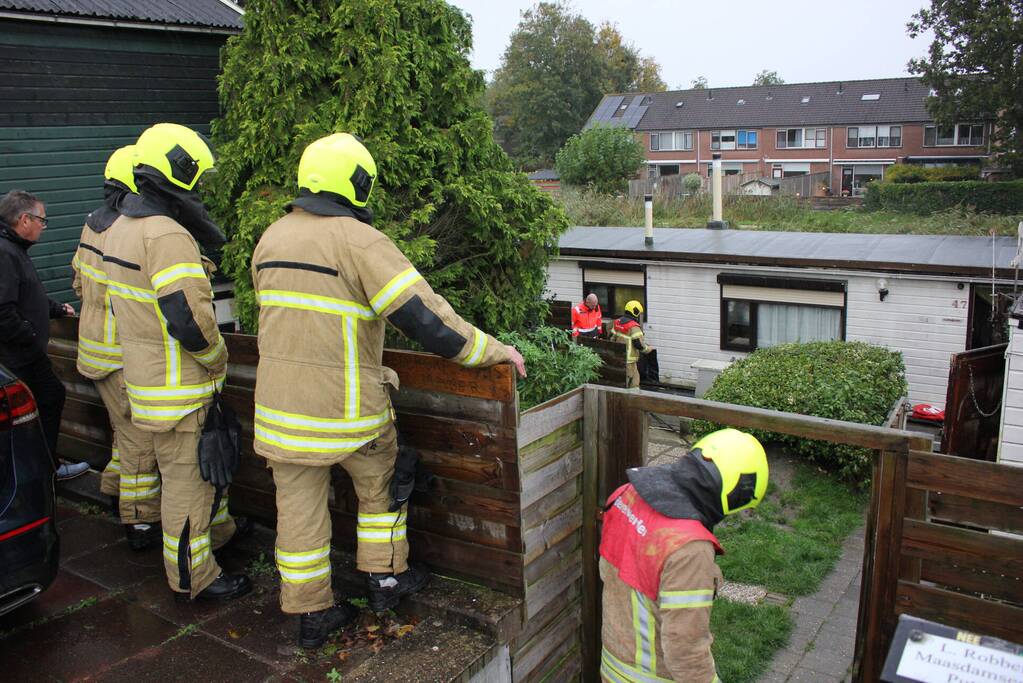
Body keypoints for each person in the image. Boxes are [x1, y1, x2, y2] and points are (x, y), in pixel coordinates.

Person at [251, 132, 527, 648]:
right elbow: (426, 320)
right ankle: (385, 579)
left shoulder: (272, 238)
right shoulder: (360, 242)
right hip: (348, 414)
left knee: (299, 514)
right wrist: (493, 351)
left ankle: (311, 614)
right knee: (381, 484)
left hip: (280, 413)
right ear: (357, 183)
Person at [102, 123, 250, 601]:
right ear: (180, 172)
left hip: (146, 384)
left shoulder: (121, 228)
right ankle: (193, 577)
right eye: (197, 176)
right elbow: (188, 319)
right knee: (188, 487)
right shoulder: (166, 235)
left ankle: (211, 544)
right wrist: (217, 359)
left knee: (177, 479)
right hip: (180, 390)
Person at [599, 428, 769, 682]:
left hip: (613, 666)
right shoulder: (689, 549)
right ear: (736, 494)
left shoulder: (627, 494)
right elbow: (685, 649)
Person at [71, 145, 162, 550]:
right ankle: (140, 522)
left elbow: (78, 282)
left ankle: (112, 489)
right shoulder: (127, 232)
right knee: (139, 440)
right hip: (121, 354)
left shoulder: (92, 225)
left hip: (95, 349)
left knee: (122, 431)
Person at [0, 190, 88, 480]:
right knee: (49, 397)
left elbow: (26, 294)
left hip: (23, 353)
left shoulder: (14, 249)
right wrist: (30, 335)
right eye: (42, 220)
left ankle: (41, 468)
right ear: (24, 220)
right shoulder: (5, 253)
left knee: (47, 398)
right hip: (19, 357)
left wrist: (54, 308)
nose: (43, 226)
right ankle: (44, 471)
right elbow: (3, 311)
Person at [611, 300, 653, 390]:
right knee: (630, 384)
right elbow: (639, 345)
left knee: (633, 380)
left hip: (618, 358)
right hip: (629, 361)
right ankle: (631, 397)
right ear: (635, 312)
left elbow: (612, 338)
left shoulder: (617, 322)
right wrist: (649, 349)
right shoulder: (634, 327)